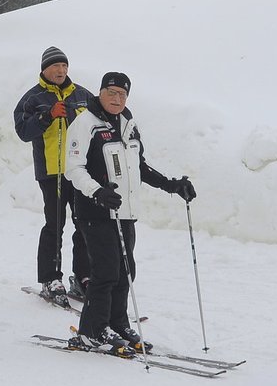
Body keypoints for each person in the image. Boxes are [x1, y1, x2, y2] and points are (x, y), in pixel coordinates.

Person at [64, 72, 196, 353]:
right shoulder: (85, 123)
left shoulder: (128, 125)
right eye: (111, 93)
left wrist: (172, 185)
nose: (117, 99)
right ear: (100, 92)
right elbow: (73, 169)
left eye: (123, 95)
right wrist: (97, 191)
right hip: (94, 210)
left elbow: (140, 167)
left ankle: (117, 323)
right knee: (105, 271)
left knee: (125, 271)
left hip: (124, 210)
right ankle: (92, 330)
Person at [13, 46, 94, 305]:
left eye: (64, 66)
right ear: (44, 69)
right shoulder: (33, 98)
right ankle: (50, 278)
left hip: (80, 171)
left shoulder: (82, 95)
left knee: (84, 223)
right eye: (55, 66)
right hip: (51, 171)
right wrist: (47, 116)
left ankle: (83, 276)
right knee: (55, 224)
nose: (61, 71)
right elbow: (24, 131)